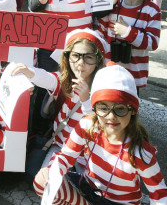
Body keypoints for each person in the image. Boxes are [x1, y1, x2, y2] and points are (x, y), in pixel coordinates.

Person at [34, 64, 167, 205]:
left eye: (120, 109)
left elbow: (159, 193)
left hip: (118, 203)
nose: (111, 116)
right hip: (87, 191)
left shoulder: (141, 153)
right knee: (41, 182)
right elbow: (66, 156)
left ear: (133, 110)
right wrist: (49, 170)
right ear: (94, 108)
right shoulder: (87, 125)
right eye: (103, 108)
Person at [11, 28, 108, 182]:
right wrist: (29, 71)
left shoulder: (103, 88)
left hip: (89, 153)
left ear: (98, 61)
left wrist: (86, 100)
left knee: (87, 189)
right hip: (61, 146)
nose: (81, 63)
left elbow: (102, 125)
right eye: (75, 56)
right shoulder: (64, 83)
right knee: (44, 183)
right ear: (67, 58)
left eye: (88, 57)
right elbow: (46, 78)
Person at [98, 0, 161, 89]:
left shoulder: (152, 11)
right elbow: (100, 30)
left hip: (134, 76)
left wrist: (127, 32)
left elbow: (153, 43)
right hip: (107, 71)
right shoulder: (115, 1)